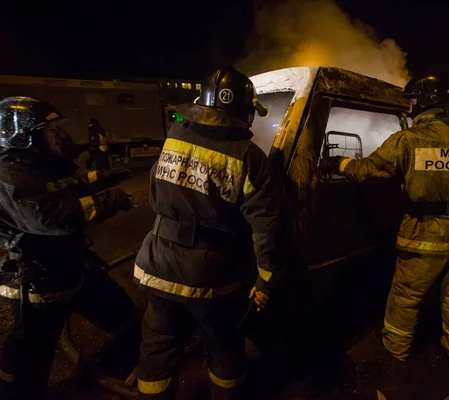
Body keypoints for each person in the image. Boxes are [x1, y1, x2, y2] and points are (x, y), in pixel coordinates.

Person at [320, 73, 449, 365]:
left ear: (424, 102)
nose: (409, 108)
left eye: (412, 102)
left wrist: (336, 162)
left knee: (406, 295)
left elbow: (367, 170)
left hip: (423, 234)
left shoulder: (409, 139)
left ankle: (396, 349)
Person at [134, 66, 282, 399]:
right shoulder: (251, 158)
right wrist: (266, 280)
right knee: (224, 343)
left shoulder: (175, 133)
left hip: (156, 262)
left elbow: (155, 191)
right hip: (211, 274)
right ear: (245, 112)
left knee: (158, 345)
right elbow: (265, 228)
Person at [0, 97, 135, 399]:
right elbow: (51, 217)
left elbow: (68, 185)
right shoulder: (9, 175)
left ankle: (120, 367)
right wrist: (110, 199)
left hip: (73, 267)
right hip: (41, 281)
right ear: (26, 135)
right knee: (26, 362)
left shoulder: (38, 165)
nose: (60, 134)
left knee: (123, 316)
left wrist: (107, 176)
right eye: (49, 129)